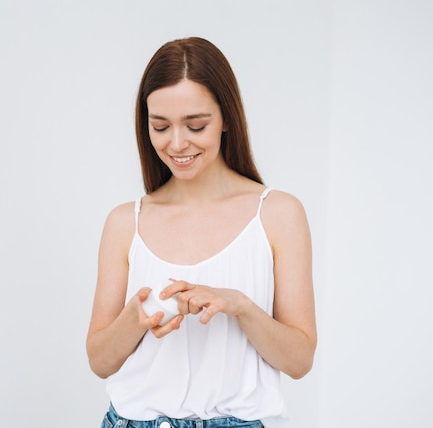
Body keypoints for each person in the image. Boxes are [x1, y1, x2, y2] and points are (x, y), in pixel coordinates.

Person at [86, 37, 316, 427]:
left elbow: (299, 361)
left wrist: (239, 306)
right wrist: (135, 319)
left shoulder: (278, 214)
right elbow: (99, 361)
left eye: (196, 125)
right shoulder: (126, 222)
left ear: (226, 117)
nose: (177, 144)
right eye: (160, 126)